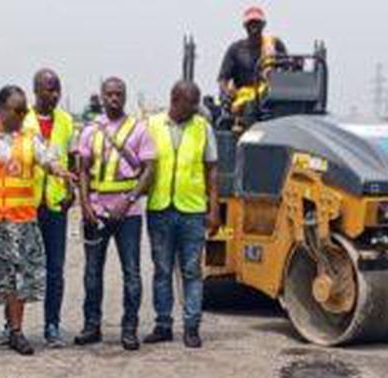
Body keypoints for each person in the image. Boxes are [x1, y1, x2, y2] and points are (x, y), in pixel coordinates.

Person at [0, 85, 74, 356]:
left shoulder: (29, 138)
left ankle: (16, 332)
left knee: (17, 277)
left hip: (20, 220)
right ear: (0, 109)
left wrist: (60, 171)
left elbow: (48, 160)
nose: (22, 115)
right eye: (17, 110)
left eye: (24, 110)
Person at [76, 77, 155, 351]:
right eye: (109, 94)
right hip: (95, 211)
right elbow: (83, 170)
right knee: (92, 273)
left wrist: (129, 198)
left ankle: (129, 328)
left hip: (128, 213)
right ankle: (91, 326)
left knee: (132, 273)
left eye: (119, 94)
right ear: (102, 96)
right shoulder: (90, 130)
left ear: (125, 96)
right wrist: (85, 205)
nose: (114, 98)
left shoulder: (139, 128)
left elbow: (148, 169)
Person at [143, 81, 220, 349]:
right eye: (192, 102)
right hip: (160, 208)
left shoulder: (203, 128)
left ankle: (191, 327)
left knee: (191, 271)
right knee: (162, 270)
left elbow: (212, 170)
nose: (196, 107)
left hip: (192, 210)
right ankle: (163, 325)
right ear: (175, 99)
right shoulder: (152, 125)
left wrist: (214, 209)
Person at [23, 69, 75, 347]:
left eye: (57, 89)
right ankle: (13, 325)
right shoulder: (22, 119)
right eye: (48, 89)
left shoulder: (66, 121)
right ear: (35, 90)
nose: (54, 95)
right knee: (21, 266)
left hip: (55, 205)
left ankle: (52, 325)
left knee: (55, 268)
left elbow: (72, 159)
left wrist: (71, 190)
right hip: (27, 205)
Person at [218, 5, 288, 115]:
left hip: (270, 96)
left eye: (257, 22)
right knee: (248, 109)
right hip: (245, 97)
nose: (254, 26)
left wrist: (295, 65)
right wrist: (226, 93)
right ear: (245, 26)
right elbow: (223, 78)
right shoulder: (235, 49)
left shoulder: (274, 44)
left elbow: (287, 67)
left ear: (263, 25)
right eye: (250, 23)